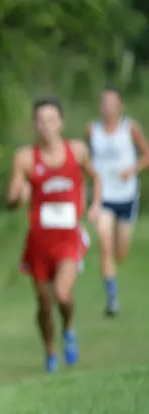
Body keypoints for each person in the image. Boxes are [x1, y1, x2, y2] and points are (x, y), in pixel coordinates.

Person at [7, 96, 102, 373]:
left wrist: (95, 205)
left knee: (62, 294)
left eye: (51, 120)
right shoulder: (25, 157)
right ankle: (50, 349)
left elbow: (94, 177)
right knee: (44, 304)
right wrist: (16, 195)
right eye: (40, 121)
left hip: (69, 238)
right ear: (34, 125)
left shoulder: (78, 150)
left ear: (61, 121)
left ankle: (69, 328)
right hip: (38, 242)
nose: (46, 126)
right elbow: (13, 196)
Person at [85, 86, 149, 316]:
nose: (108, 108)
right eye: (104, 103)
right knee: (105, 246)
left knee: (120, 252)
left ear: (120, 106)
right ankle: (112, 299)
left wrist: (132, 169)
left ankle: (115, 262)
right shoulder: (92, 130)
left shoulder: (129, 128)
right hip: (103, 197)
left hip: (126, 195)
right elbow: (86, 159)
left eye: (113, 103)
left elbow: (147, 155)